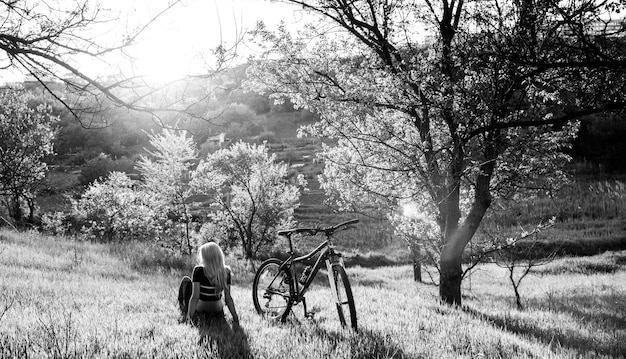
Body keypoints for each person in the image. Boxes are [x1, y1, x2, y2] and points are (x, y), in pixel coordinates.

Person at [178, 242, 239, 326]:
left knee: (186, 281)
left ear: (205, 258)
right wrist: (235, 317)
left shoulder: (198, 270)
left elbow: (195, 297)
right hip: (217, 310)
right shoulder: (226, 271)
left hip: (201, 308)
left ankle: (182, 305)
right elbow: (228, 298)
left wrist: (189, 318)